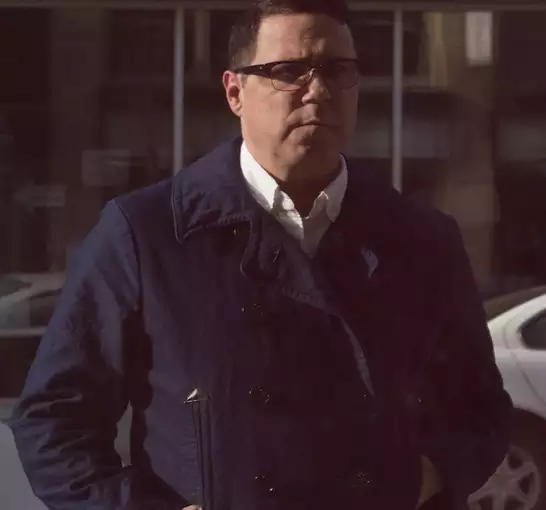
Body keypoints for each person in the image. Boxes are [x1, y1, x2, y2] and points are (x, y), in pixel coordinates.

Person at [9, 0, 512, 509]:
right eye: (289, 71)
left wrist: (421, 479)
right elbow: (53, 418)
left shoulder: (421, 239)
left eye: (337, 70)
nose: (318, 90)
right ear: (235, 92)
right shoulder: (148, 234)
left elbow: (480, 408)